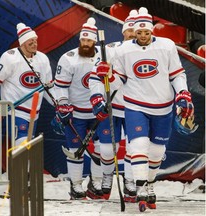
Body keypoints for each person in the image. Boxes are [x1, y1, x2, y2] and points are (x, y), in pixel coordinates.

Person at [93, 7, 195, 211]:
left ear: (151, 31)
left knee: (157, 152)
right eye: (138, 32)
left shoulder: (166, 46)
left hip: (163, 106)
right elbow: (118, 81)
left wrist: (183, 93)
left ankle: (148, 184)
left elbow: (177, 73)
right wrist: (109, 77)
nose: (142, 36)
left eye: (146, 32)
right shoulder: (123, 50)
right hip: (135, 105)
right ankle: (139, 188)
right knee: (138, 146)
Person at [0, 23, 54, 194]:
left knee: (26, 145)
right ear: (22, 43)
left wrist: (59, 105)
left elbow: (48, 87)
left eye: (35, 40)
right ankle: (21, 179)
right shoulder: (10, 57)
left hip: (34, 112)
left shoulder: (42, 59)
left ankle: (22, 180)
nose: (34, 44)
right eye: (30, 41)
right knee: (22, 143)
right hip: (15, 110)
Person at [53, 17, 106, 200]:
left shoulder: (104, 56)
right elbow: (59, 85)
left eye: (89, 40)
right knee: (75, 150)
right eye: (83, 40)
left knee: (101, 149)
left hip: (98, 111)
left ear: (94, 41)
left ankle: (96, 181)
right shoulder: (68, 59)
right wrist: (63, 104)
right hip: (76, 113)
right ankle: (76, 184)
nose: (85, 44)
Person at [105, 9, 138, 203]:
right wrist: (99, 97)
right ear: (123, 32)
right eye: (129, 31)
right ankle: (106, 179)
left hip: (136, 106)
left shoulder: (146, 50)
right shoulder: (111, 48)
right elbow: (98, 74)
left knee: (134, 147)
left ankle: (130, 181)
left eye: (135, 31)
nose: (132, 34)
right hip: (114, 105)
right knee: (109, 149)